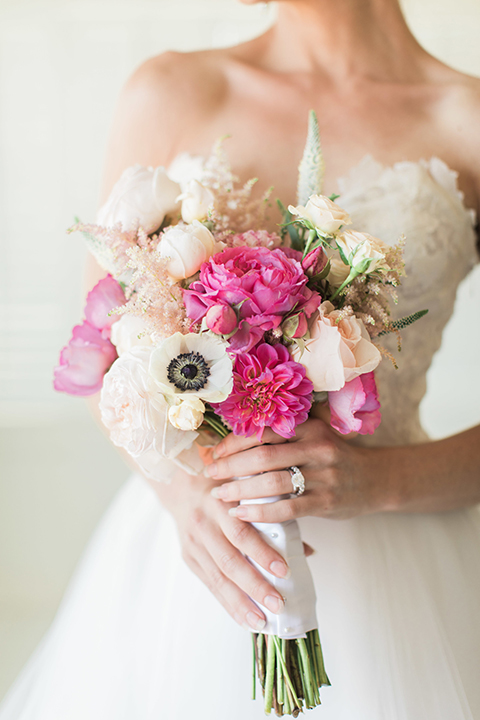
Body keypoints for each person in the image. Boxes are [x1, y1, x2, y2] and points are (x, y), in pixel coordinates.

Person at [2, 0, 480, 717]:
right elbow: (102, 354)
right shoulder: (171, 90)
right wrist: (185, 493)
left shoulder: (466, 119)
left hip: (399, 564)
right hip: (196, 563)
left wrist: (376, 481)